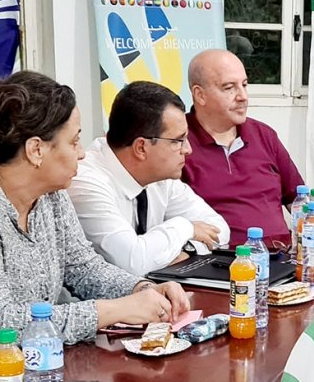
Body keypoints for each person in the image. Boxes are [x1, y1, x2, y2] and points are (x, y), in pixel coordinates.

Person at [0, 71, 189, 345]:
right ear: (36, 150)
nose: (82, 153)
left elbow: (83, 268)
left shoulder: (51, 193)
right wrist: (113, 310)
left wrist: (142, 288)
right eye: (74, 141)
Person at [69, 81, 230, 276]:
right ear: (141, 148)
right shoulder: (86, 181)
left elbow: (219, 229)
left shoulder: (162, 175)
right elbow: (132, 261)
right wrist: (184, 228)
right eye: (178, 141)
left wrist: (185, 249)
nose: (188, 150)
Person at [181, 49, 304, 246]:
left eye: (244, 85)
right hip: (218, 264)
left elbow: (299, 200)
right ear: (200, 95)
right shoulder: (178, 142)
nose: (243, 96)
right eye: (229, 88)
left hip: (281, 259)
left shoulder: (264, 135)